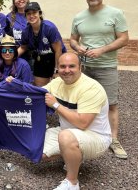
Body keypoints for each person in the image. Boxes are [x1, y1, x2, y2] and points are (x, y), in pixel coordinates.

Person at [70, 0, 129, 159]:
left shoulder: (115, 14)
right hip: (84, 66)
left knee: (110, 103)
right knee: (81, 100)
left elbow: (124, 38)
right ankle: (84, 131)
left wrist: (102, 50)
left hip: (106, 66)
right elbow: (73, 39)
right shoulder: (79, 17)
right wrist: (77, 47)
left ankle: (114, 140)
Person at [42, 53, 111, 190]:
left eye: (71, 66)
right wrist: (14, 85)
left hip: (95, 136)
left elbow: (82, 123)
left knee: (66, 137)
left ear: (80, 67)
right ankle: (74, 156)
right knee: (39, 153)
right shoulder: (57, 83)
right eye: (62, 66)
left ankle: (72, 182)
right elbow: (34, 93)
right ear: (58, 68)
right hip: (68, 131)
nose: (67, 70)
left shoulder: (91, 88)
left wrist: (56, 105)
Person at [18, 2, 67, 86]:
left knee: (58, 86)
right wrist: (11, 56)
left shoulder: (49, 28)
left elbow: (58, 50)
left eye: (34, 13)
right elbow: (23, 47)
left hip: (57, 58)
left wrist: (57, 70)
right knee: (41, 88)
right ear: (25, 16)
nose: (31, 16)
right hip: (41, 59)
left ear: (39, 13)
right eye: (28, 14)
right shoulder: (26, 31)